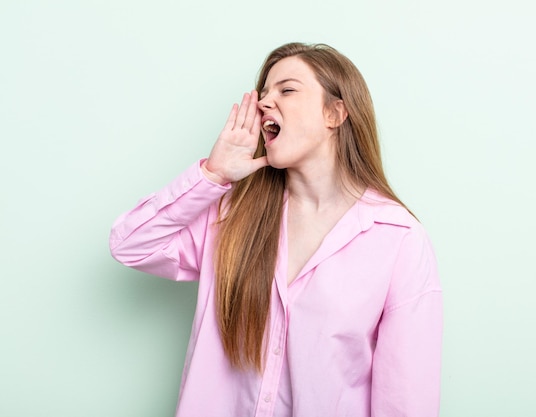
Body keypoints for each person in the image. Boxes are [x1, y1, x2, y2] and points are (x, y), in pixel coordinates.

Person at [109, 42, 442, 417]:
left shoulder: (398, 238)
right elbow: (130, 244)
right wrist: (213, 175)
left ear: (335, 113)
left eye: (286, 90)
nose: (265, 102)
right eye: (263, 92)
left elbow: (405, 400)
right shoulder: (230, 215)